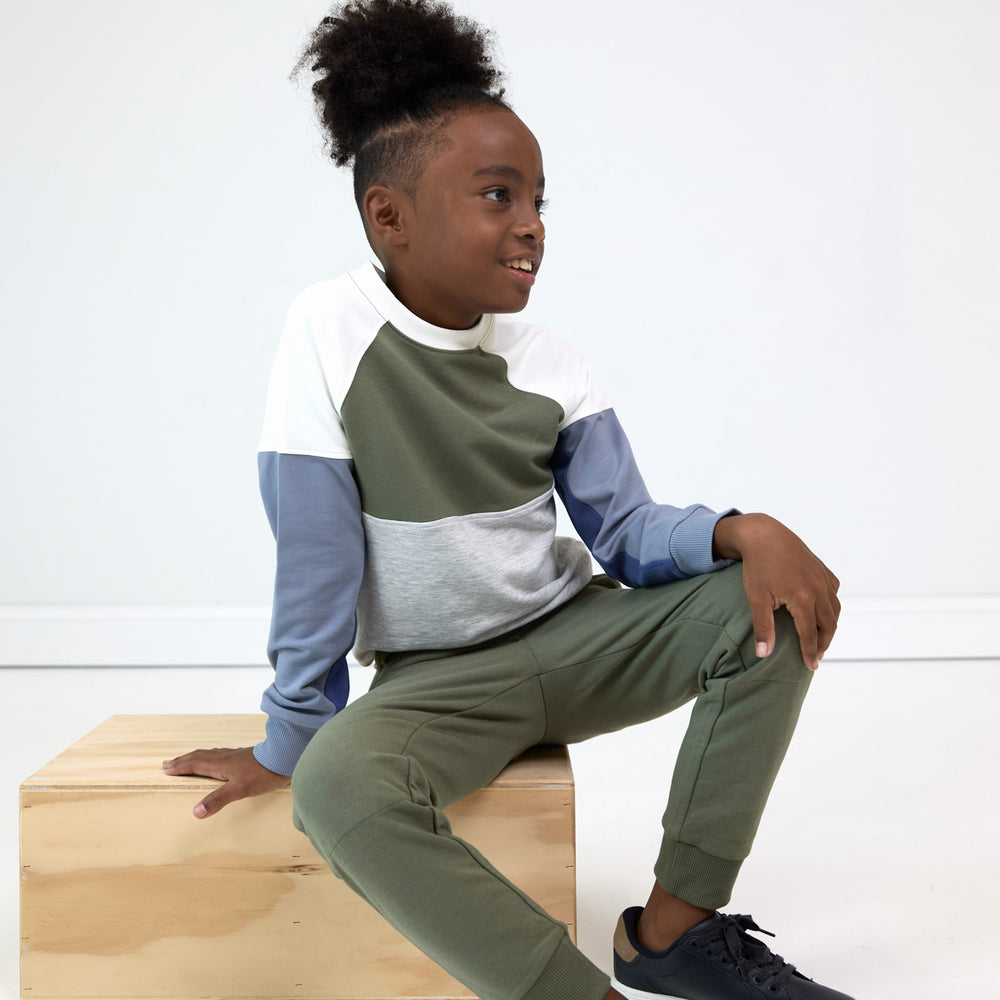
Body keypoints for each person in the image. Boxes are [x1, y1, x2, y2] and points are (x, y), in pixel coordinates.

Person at [163, 3, 852, 999]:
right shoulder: (328, 329)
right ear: (387, 216)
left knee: (772, 611)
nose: (530, 223)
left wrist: (742, 530)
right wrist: (293, 731)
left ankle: (672, 931)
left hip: (576, 639)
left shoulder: (550, 362)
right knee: (338, 789)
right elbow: (314, 550)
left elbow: (624, 531)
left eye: (536, 198)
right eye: (497, 194)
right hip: (437, 686)